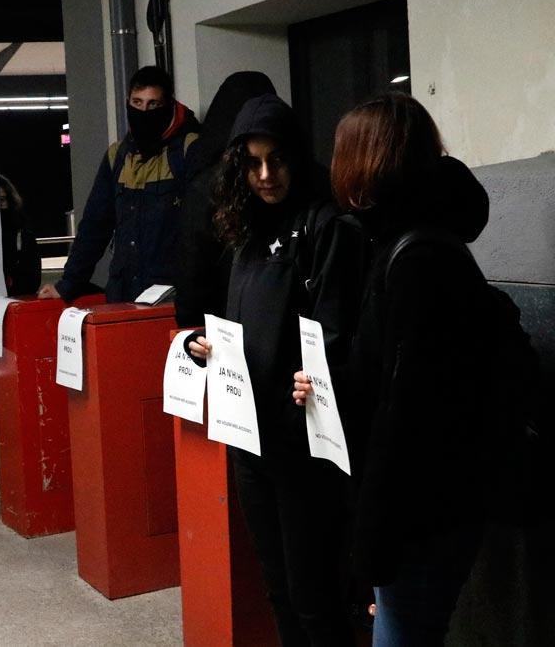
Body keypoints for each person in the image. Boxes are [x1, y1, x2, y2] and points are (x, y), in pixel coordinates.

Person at [293, 93, 492, 646]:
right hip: (428, 505)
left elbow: (406, 415)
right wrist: (327, 388)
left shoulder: (415, 260)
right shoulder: (407, 245)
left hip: (420, 514)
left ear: (369, 163)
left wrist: (371, 543)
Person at [185, 94, 357, 646]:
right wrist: (200, 343)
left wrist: (322, 377)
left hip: (303, 442)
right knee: (278, 588)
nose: (266, 175)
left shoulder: (327, 224)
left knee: (315, 595)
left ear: (297, 157)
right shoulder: (243, 227)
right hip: (249, 439)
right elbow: (226, 317)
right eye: (254, 162)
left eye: (277, 160)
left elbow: (339, 329)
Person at [37, 66, 199, 303]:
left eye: (153, 104)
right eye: (137, 102)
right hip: (123, 295)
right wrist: (68, 283)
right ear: (128, 102)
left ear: (169, 105)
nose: (144, 111)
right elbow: (95, 225)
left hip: (171, 298)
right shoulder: (118, 156)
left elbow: (203, 230)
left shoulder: (190, 150)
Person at [175, 71, 277, 327]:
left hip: (221, 332)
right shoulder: (295, 177)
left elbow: (192, 278)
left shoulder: (204, 185)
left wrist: (192, 331)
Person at [0, 175, 41, 474]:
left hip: (11, 315)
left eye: (4, 201)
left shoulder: (21, 232)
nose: (1, 207)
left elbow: (31, 275)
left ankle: (6, 444)